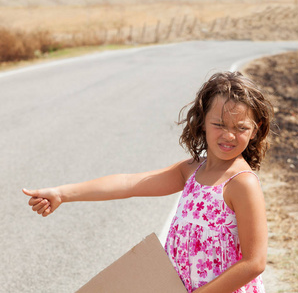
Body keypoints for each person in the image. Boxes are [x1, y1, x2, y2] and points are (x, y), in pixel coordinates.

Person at [23, 71, 273, 293]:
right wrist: (62, 193)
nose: (229, 135)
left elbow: (254, 262)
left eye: (240, 127)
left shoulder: (242, 184)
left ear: (255, 128)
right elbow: (130, 183)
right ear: (202, 122)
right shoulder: (192, 170)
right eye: (219, 124)